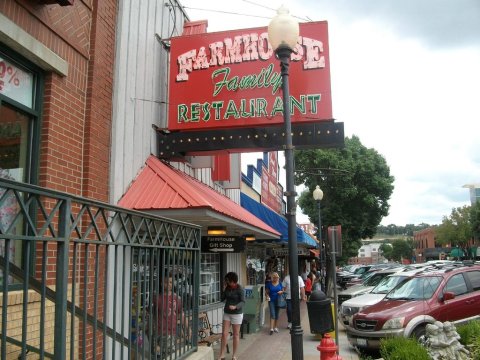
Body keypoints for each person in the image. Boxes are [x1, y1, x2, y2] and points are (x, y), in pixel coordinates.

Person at [150, 274, 187, 359]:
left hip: (170, 333)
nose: (169, 284)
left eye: (171, 282)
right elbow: (151, 314)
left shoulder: (177, 298)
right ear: (162, 283)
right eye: (167, 282)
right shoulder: (156, 298)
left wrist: (187, 328)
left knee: (169, 356)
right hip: (157, 333)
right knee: (158, 356)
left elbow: (181, 315)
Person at [218, 272, 244, 360]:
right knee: (224, 334)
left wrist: (235, 307)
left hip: (237, 314)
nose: (226, 281)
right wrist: (223, 289)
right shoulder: (227, 288)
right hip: (227, 313)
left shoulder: (240, 289)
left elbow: (243, 301)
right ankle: (222, 354)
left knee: (236, 334)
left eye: (227, 280)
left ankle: (234, 355)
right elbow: (222, 299)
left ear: (233, 281)